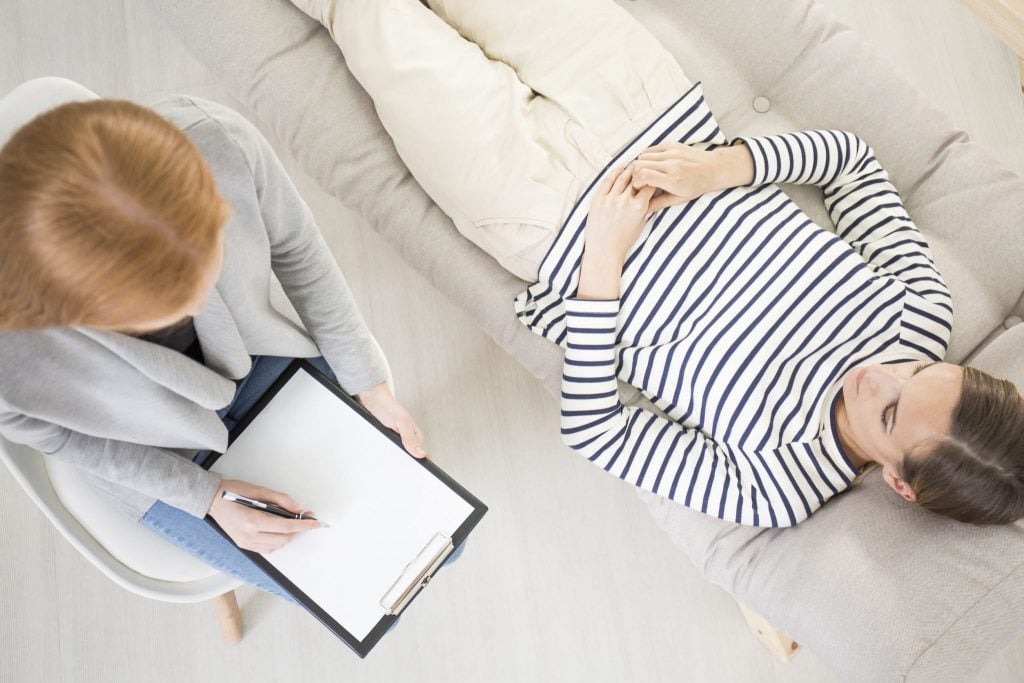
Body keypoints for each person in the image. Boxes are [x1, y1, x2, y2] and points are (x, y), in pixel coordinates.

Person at [296, 0, 1024, 527]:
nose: (883, 371)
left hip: (535, 208)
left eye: (891, 409)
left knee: (365, 15)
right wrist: (726, 167)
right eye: (925, 371)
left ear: (898, 483)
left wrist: (601, 268)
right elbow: (854, 167)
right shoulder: (922, 315)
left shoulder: (775, 486)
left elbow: (597, 431)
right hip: (642, 102)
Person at [0, 80, 430, 600]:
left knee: (422, 531)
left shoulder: (215, 140)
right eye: (164, 308)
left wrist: (369, 382)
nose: (199, 305)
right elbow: (67, 438)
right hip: (150, 450)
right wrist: (207, 497)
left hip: (264, 358)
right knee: (350, 589)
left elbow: (296, 248)